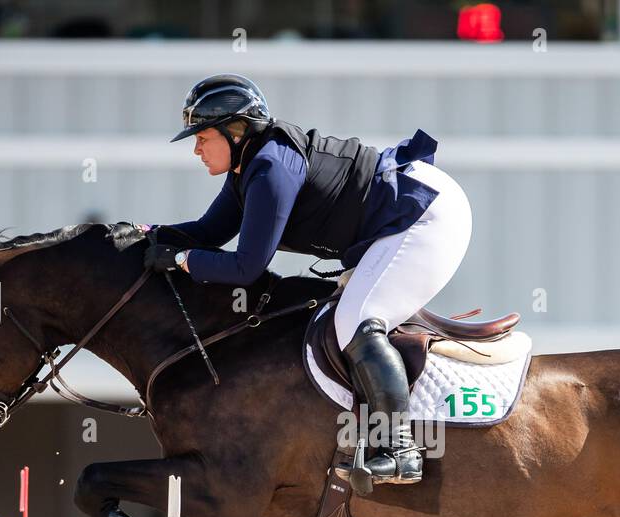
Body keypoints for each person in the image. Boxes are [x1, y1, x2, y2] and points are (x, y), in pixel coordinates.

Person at [145, 73, 472, 489]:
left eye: (203, 137)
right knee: (348, 315)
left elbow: (248, 269)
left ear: (236, 130)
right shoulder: (248, 165)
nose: (196, 148)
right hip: (401, 212)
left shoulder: (270, 169)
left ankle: (400, 448)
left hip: (424, 214)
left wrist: (181, 259)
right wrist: (147, 234)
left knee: (358, 319)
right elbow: (209, 230)